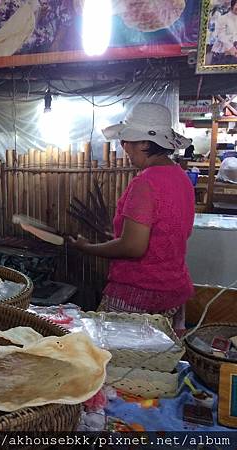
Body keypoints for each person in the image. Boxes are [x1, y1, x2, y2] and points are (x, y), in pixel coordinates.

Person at [68, 103, 195, 334]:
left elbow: (134, 247)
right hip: (174, 289)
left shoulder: (145, 182)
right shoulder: (181, 177)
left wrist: (87, 247)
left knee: (114, 360)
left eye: (127, 140)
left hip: (140, 293)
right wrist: (116, 236)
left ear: (145, 143)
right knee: (156, 365)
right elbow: (168, 232)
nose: (123, 146)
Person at [210, 0, 237, 64]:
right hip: (221, 55)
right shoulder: (223, 18)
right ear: (232, 5)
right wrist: (231, 47)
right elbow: (220, 35)